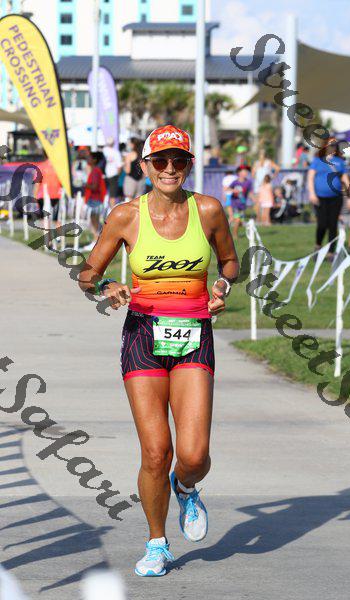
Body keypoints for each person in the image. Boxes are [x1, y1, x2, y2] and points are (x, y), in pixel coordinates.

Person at [78, 125, 239, 577]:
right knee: (155, 451)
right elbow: (87, 273)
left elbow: (230, 261)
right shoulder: (125, 216)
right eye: (161, 161)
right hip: (142, 337)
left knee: (194, 455)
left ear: (189, 165)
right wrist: (106, 285)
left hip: (194, 334)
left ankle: (185, 487)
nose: (170, 169)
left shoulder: (208, 210)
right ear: (145, 165)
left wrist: (222, 285)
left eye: (179, 160)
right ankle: (157, 543)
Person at [307, 137, 350, 261]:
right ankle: (318, 246)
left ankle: (331, 252)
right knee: (322, 224)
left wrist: (349, 197)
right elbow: (310, 178)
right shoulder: (317, 161)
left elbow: (345, 179)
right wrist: (312, 194)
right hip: (320, 198)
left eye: (334, 145)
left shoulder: (340, 162)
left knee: (332, 225)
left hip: (335, 198)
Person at [81, 152, 107, 252]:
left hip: (95, 200)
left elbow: (95, 186)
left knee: (94, 222)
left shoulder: (96, 171)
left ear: (94, 160)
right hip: (95, 199)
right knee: (94, 222)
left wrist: (84, 184)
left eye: (89, 158)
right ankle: (97, 240)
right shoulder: (95, 170)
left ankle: (95, 241)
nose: (87, 160)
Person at [252, 149, 280, 222]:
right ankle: (259, 219)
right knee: (259, 202)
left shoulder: (268, 162)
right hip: (259, 185)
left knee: (265, 202)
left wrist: (272, 177)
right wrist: (259, 180)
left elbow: (277, 168)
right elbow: (253, 174)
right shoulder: (257, 163)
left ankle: (264, 219)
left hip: (265, 185)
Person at [228, 165, 254, 240]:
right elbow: (227, 189)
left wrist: (254, 199)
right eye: (244, 171)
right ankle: (234, 235)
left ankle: (227, 229)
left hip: (242, 205)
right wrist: (234, 190)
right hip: (235, 204)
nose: (246, 173)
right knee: (237, 219)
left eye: (246, 172)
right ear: (239, 173)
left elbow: (250, 193)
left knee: (240, 222)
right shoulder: (235, 182)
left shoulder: (248, 182)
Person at [103, 138, 123, 210]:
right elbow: (119, 166)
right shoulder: (116, 152)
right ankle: (111, 211)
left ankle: (104, 210)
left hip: (105, 175)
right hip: (113, 175)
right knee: (112, 196)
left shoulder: (104, 150)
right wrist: (118, 175)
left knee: (105, 194)